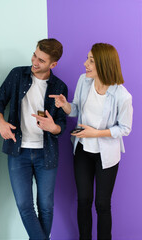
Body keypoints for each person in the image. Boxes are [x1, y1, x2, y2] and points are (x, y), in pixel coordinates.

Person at [50, 43, 133, 240]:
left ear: (104, 64)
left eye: (91, 61)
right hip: (82, 150)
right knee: (84, 201)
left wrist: (95, 133)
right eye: (87, 59)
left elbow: (125, 129)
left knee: (102, 204)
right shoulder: (83, 81)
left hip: (107, 156)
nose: (85, 63)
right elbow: (77, 109)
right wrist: (65, 106)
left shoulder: (122, 96)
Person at [0, 38, 68, 239]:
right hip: (18, 152)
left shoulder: (59, 87)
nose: (35, 61)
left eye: (42, 60)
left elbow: (62, 126)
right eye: (35, 55)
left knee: (46, 207)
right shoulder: (17, 75)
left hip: (46, 154)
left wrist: (54, 127)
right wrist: (0, 122)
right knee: (24, 205)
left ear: (53, 64)